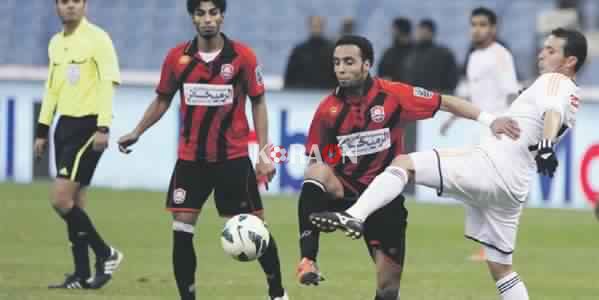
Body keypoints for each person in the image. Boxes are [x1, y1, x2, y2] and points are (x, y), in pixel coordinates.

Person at [312, 28, 587, 300]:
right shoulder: (572, 94)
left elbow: (552, 111)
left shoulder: (555, 80)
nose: (542, 54)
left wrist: (548, 145)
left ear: (569, 61)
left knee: (403, 163)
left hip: (491, 167)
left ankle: (354, 215)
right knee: (502, 270)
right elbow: (553, 112)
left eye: (551, 50)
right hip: (514, 187)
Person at [295, 35, 518, 300]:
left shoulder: (394, 95)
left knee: (388, 290)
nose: (341, 69)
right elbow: (315, 158)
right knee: (316, 172)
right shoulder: (327, 110)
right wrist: (319, 200)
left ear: (367, 65)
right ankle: (307, 260)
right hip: (345, 192)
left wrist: (490, 120)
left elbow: (446, 102)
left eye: (348, 62)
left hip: (384, 198)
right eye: (336, 63)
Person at [116, 1, 287, 299]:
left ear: (222, 16)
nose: (207, 19)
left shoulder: (243, 57)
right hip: (191, 159)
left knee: (257, 228)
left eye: (213, 12)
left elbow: (258, 102)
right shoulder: (177, 58)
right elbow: (162, 100)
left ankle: (277, 293)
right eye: (200, 13)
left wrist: (263, 153)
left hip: (232, 160)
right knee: (181, 228)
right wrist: (137, 131)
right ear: (192, 17)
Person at [33, 0, 123, 290]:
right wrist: (42, 130)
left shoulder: (99, 39)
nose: (70, 6)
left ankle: (106, 253)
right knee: (76, 202)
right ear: (57, 7)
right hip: (64, 127)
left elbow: (108, 83)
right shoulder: (55, 44)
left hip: (88, 126)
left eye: (76, 1)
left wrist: (103, 126)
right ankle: (82, 274)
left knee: (60, 199)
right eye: (64, 1)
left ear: (84, 5)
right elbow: (51, 89)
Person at [440, 7, 520, 262]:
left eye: (482, 24)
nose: (477, 29)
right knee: (477, 188)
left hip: (499, 131)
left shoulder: (501, 56)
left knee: (488, 188)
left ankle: (492, 247)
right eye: (473, 24)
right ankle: (488, 245)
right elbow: (473, 97)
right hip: (480, 129)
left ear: (493, 28)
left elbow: (511, 94)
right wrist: (452, 118)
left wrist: (516, 127)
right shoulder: (473, 57)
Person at [402, 19, 459, 94]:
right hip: (414, 97)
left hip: (437, 97)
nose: (419, 34)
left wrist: (444, 93)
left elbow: (453, 77)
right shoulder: (411, 53)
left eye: (423, 31)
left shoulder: (443, 53)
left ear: (431, 33)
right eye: (418, 31)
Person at [284, 16, 337, 89]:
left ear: (323, 26)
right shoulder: (299, 51)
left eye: (319, 25)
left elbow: (337, 75)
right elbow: (289, 77)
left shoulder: (332, 51)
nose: (316, 28)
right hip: (303, 95)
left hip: (326, 94)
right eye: (314, 25)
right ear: (309, 26)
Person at [378, 18, 413, 82]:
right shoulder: (389, 53)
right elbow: (382, 75)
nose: (391, 32)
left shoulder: (417, 52)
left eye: (394, 30)